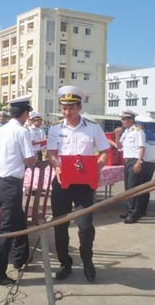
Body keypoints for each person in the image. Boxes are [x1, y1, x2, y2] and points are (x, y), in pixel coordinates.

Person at [47, 86, 109, 282]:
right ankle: (65, 263)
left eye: (71, 107)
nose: (67, 112)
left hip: (84, 185)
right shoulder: (55, 128)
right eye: (64, 108)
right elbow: (51, 153)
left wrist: (96, 169)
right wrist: (57, 167)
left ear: (80, 107)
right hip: (61, 183)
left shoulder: (93, 128)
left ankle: (87, 260)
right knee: (60, 225)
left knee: (86, 226)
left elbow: (104, 151)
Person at [0, 95, 37, 285]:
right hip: (11, 184)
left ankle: (20, 258)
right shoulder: (21, 132)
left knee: (19, 219)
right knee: (6, 229)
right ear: (25, 114)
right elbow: (30, 159)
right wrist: (32, 158)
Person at [115, 110, 146, 224]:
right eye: (123, 119)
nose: (124, 121)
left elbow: (142, 148)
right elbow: (119, 146)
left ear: (132, 120)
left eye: (127, 119)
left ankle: (134, 214)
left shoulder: (137, 131)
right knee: (128, 188)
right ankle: (129, 211)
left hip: (134, 161)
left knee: (134, 188)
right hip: (127, 161)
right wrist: (117, 135)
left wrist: (139, 162)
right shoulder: (126, 132)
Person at [136, 115, 155, 216]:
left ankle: (137, 210)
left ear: (141, 125)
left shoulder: (140, 135)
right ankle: (143, 210)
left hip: (142, 163)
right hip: (152, 164)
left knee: (138, 188)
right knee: (146, 188)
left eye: (138, 124)